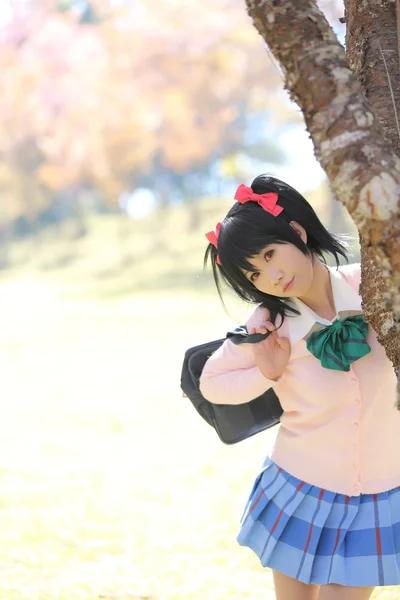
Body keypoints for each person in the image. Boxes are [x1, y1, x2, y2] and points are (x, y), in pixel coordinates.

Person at [199, 174, 400, 600]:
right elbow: (212, 384)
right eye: (254, 272)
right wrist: (266, 373)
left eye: (271, 254)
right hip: (303, 485)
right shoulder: (268, 324)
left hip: (381, 491)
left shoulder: (374, 287)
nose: (271, 276)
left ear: (296, 231)